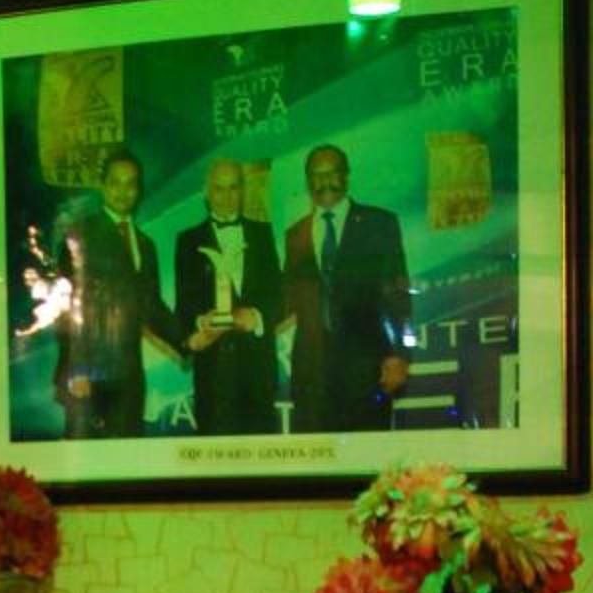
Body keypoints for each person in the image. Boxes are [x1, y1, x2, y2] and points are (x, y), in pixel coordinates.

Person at [52, 146, 184, 438]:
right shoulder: (80, 235)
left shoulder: (145, 245)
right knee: (86, 463)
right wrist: (76, 370)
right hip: (87, 379)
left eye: (130, 184)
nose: (123, 192)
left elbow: (151, 306)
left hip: (129, 379)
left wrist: (186, 340)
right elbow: (64, 307)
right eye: (115, 183)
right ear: (102, 186)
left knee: (127, 459)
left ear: (139, 190)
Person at [283, 143, 413, 432]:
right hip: (312, 377)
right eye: (316, 175)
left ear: (346, 176)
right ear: (307, 181)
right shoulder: (294, 235)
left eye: (332, 173)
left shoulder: (379, 223)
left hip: (367, 372)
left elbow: (398, 295)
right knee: (316, 459)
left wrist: (399, 355)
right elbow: (287, 298)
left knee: (366, 456)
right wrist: (246, 315)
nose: (324, 181)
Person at [173, 157, 284, 434]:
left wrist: (256, 316)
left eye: (234, 188)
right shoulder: (187, 241)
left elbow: (278, 293)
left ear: (243, 191)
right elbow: (184, 304)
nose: (227, 197)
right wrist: (201, 322)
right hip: (213, 374)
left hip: (259, 374)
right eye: (219, 189)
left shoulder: (263, 233)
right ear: (207, 193)